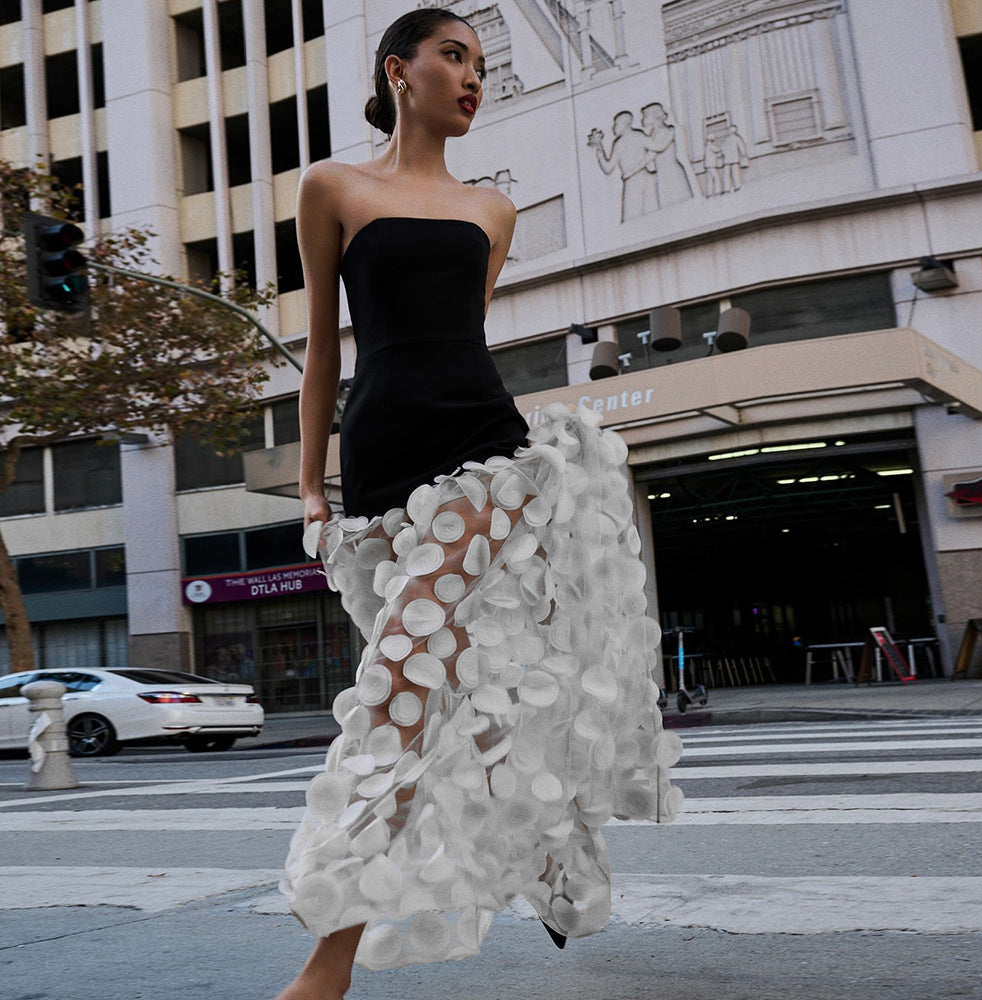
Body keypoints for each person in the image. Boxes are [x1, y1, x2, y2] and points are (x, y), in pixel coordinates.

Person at [275, 10, 683, 999]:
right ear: (398, 70)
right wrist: (310, 483)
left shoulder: (492, 209)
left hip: (483, 455)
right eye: (453, 56)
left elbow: (461, 333)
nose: (472, 78)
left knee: (400, 689)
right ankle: (552, 853)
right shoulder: (332, 187)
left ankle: (327, 965)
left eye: (482, 66)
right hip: (378, 460)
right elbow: (327, 347)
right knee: (459, 687)